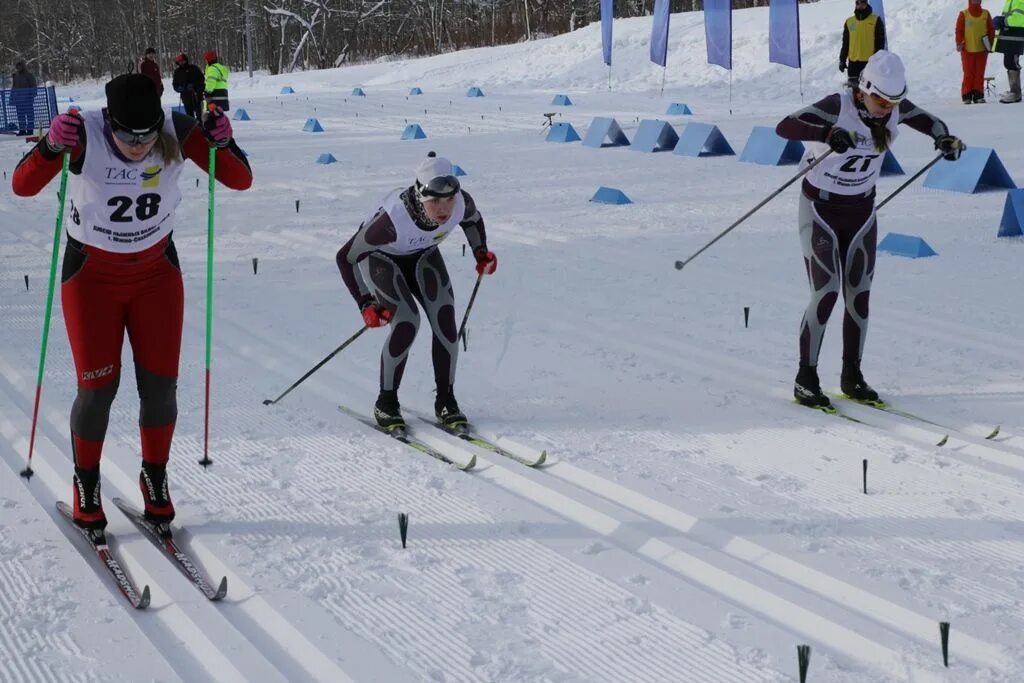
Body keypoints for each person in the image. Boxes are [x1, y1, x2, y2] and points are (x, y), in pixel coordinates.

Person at [11, 74, 252, 531]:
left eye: (146, 135)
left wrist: (225, 142)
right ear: (110, 122)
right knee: (97, 389)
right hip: (92, 278)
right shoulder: (84, 133)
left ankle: (154, 477)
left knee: (160, 388)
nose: (138, 145)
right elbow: (22, 186)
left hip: (156, 276)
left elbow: (239, 181)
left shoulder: (177, 131)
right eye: (125, 135)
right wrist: (48, 147)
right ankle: (86, 482)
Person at [775, 51, 963, 409]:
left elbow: (933, 123)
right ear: (863, 90)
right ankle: (806, 377)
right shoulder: (837, 105)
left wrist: (945, 140)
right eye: (880, 100)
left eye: (893, 101)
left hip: (861, 211)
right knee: (826, 291)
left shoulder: (896, 109)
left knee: (858, 295)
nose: (887, 108)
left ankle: (852, 375)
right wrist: (827, 132)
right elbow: (785, 126)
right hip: (820, 209)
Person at [335, 152, 497, 430]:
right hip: (382, 259)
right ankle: (386, 403)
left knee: (445, 320)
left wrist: (480, 252)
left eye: (448, 199)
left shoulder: (461, 203)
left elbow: (472, 220)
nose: (443, 208)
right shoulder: (391, 221)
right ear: (421, 196)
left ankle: (446, 401)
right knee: (408, 322)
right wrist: (365, 303)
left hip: (422, 255)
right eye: (434, 201)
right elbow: (345, 257)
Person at [840, 0, 887, 88]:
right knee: (854, 94)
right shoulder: (849, 22)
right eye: (857, 2)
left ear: (866, 3)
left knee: (868, 93)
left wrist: (877, 61)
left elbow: (880, 43)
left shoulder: (875, 20)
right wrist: (842, 60)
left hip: (869, 64)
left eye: (862, 2)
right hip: (853, 64)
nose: (860, 5)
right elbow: (845, 43)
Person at [957, 0, 997, 103]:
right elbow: (959, 30)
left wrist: (990, 43)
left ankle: (978, 95)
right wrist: (959, 42)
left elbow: (991, 29)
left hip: (982, 50)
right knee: (968, 73)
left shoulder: (986, 14)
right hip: (967, 50)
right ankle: (967, 95)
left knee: (979, 73)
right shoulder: (964, 14)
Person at [994, 0, 1024, 102]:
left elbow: (1020, 19)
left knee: (1012, 63)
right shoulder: (1010, 1)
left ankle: (1015, 93)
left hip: (1016, 38)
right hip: (1010, 38)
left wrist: (1002, 21)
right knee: (1008, 62)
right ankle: (1013, 91)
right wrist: (1001, 22)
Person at [172, 53, 205, 119]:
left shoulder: (194, 68)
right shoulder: (177, 72)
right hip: (185, 97)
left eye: (182, 60)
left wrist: (194, 86)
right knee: (189, 116)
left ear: (185, 60)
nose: (181, 62)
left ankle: (201, 127)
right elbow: (175, 84)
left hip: (196, 96)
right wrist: (178, 88)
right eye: (179, 61)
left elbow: (202, 80)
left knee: (199, 115)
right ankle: (193, 128)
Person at [11, 60, 37, 135]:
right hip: (18, 100)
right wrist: (12, 97)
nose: (18, 68)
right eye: (17, 66)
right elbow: (14, 87)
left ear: (23, 66)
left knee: (30, 115)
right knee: (20, 116)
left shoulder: (29, 75)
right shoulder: (15, 76)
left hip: (28, 99)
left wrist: (32, 95)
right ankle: (22, 130)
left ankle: (30, 130)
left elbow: (33, 86)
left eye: (20, 66)